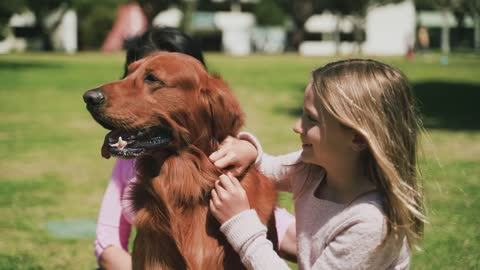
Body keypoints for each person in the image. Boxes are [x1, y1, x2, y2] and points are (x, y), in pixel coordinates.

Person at [94, 26, 296, 270]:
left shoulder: (241, 179)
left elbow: (280, 228)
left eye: (151, 79)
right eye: (131, 75)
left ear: (206, 104)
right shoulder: (134, 165)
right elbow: (108, 243)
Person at [209, 59, 426, 269]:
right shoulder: (313, 169)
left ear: (358, 139)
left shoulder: (369, 223)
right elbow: (267, 167)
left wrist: (240, 223)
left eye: (311, 119)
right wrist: (251, 151)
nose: (297, 126)